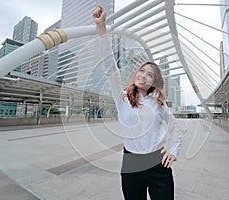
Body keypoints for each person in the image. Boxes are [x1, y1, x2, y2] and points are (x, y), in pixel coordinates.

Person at [93, 4, 182, 200]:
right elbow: (110, 69)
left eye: (149, 74)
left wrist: (173, 151)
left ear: (154, 82)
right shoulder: (123, 98)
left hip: (158, 164)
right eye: (141, 71)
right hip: (131, 164)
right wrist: (102, 30)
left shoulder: (159, 104)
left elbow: (175, 128)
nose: (143, 75)